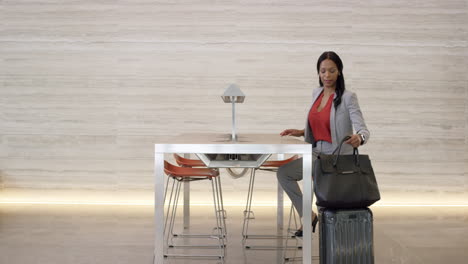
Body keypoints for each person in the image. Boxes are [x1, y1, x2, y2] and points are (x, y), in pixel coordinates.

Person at [277, 51, 370, 237]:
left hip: (334, 158)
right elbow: (321, 122)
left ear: (339, 72)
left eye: (332, 71)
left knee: (316, 184)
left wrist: (359, 138)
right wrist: (302, 132)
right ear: (318, 73)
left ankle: (322, 227)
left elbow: (363, 130)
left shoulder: (347, 97)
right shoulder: (316, 93)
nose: (327, 75)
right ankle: (308, 216)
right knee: (284, 173)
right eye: (323, 71)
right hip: (315, 152)